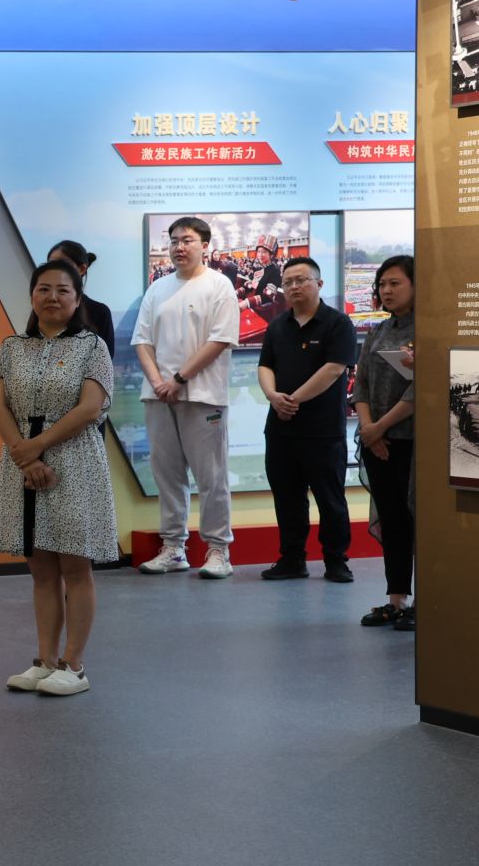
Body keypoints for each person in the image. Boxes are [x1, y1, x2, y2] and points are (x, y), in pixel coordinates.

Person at [0, 259, 117, 697]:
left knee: (75, 566)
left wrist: (37, 446)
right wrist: (24, 455)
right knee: (41, 569)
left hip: (74, 462)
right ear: (32, 296)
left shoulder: (92, 346)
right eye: (44, 289)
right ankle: (45, 661)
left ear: (77, 299)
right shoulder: (11, 347)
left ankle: (74, 666)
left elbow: (90, 408)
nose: (52, 297)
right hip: (22, 463)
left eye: (63, 290)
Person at [132, 215, 239, 578]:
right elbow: (142, 341)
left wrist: (178, 379)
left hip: (203, 397)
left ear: (205, 246)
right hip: (159, 397)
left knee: (212, 478)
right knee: (167, 475)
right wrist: (158, 382)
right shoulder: (157, 288)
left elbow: (220, 340)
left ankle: (218, 551)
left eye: (187, 240)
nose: (179, 247)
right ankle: (174, 548)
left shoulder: (219, 285)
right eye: (174, 240)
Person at [256, 257, 358, 583]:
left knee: (330, 499)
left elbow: (334, 369)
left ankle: (336, 561)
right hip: (280, 428)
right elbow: (265, 366)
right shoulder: (277, 326)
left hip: (322, 430)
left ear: (319, 283)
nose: (294, 287)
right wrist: (273, 396)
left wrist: (293, 400)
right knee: (287, 498)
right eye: (288, 282)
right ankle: (292, 559)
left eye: (301, 280)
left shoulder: (338, 324)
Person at [352, 255, 417, 631]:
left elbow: (421, 389)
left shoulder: (429, 329)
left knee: (418, 520)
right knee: (392, 521)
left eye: (395, 283)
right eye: (382, 284)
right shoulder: (377, 331)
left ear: (416, 285)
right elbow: (361, 385)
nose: (386, 290)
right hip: (378, 442)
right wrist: (369, 429)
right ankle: (396, 600)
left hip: (414, 443)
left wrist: (381, 427)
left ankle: (425, 602)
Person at [48, 240, 116, 354]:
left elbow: (106, 358)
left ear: (81, 269)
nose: (54, 270)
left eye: (62, 264)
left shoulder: (100, 311)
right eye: (50, 265)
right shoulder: (44, 306)